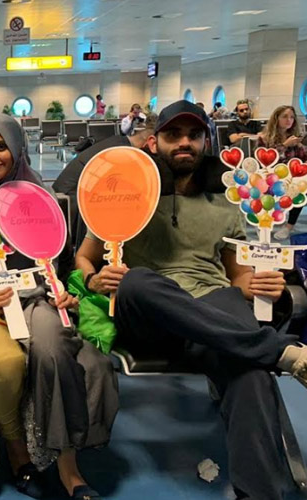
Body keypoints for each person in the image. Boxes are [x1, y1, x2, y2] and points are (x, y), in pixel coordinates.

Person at [75, 100, 307, 500]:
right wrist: (94, 279)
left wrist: (261, 285)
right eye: (173, 135)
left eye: (193, 135)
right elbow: (85, 257)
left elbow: (237, 276)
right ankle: (278, 351)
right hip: (149, 317)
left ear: (205, 141)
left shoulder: (225, 202)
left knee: (250, 374)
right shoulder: (125, 195)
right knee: (137, 282)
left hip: (213, 307)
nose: (184, 142)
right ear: (154, 142)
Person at [0, 113, 118, 499]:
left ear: (17, 148)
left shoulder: (40, 203)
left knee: (54, 348)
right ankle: (19, 451)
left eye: (0, 146)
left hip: (36, 300)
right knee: (8, 362)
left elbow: (61, 265)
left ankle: (67, 465)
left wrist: (66, 292)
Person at [53, 114, 158, 246]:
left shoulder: (117, 142)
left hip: (66, 199)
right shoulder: (122, 154)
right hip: (71, 208)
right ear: (149, 143)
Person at [255, 106, 307, 240]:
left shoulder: (295, 138)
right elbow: (264, 160)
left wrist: (301, 147)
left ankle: (289, 226)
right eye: (285, 116)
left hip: (291, 178)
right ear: (276, 118)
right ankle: (263, 223)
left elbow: (302, 159)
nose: (289, 120)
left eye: (292, 117)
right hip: (270, 177)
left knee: (301, 189)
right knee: (264, 192)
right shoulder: (264, 138)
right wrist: (284, 145)